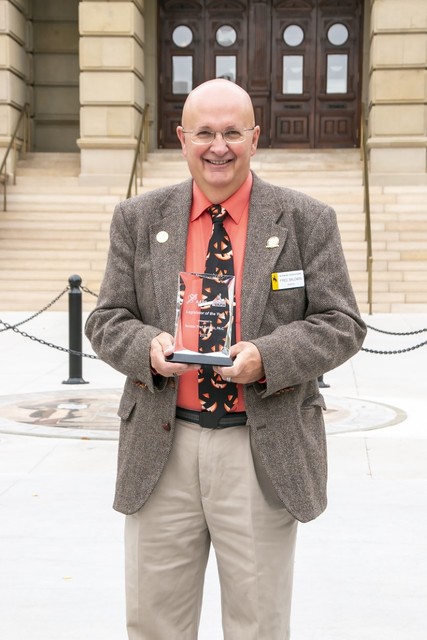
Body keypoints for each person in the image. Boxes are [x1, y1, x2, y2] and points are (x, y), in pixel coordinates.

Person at [85, 79, 366, 640]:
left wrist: (268, 356)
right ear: (182, 138)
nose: (219, 147)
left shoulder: (306, 220)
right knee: (155, 625)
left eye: (232, 133)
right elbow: (107, 318)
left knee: (258, 626)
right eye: (205, 133)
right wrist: (146, 348)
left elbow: (343, 324)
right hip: (162, 448)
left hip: (259, 449)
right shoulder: (138, 218)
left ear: (254, 138)